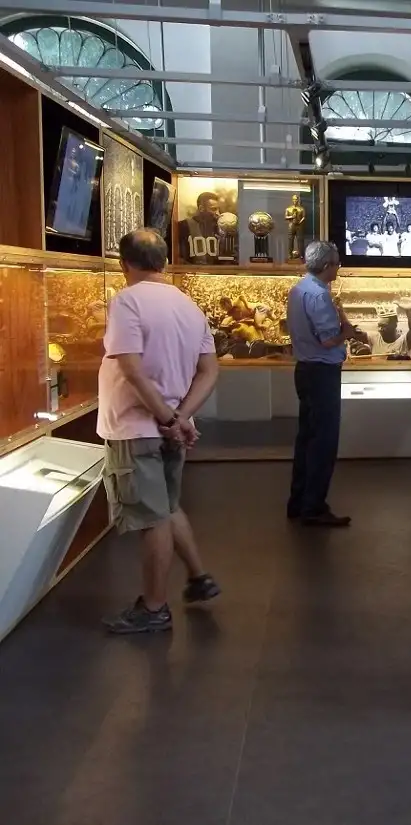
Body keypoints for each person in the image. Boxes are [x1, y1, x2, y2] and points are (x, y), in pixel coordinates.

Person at [98, 229, 221, 634]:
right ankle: (199, 577)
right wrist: (182, 417)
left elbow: (132, 370)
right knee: (166, 508)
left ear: (124, 264)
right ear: (164, 261)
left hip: (137, 429)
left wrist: (169, 419)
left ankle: (154, 608)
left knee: (152, 520)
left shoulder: (127, 301)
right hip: (172, 431)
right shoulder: (188, 305)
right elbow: (209, 371)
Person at [286, 241, 368, 527]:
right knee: (324, 442)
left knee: (307, 439)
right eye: (336, 264)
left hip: (305, 369)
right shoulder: (319, 295)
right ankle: (314, 507)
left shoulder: (299, 289)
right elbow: (329, 339)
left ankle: (298, 502)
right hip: (322, 373)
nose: (338, 268)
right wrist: (348, 332)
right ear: (326, 266)